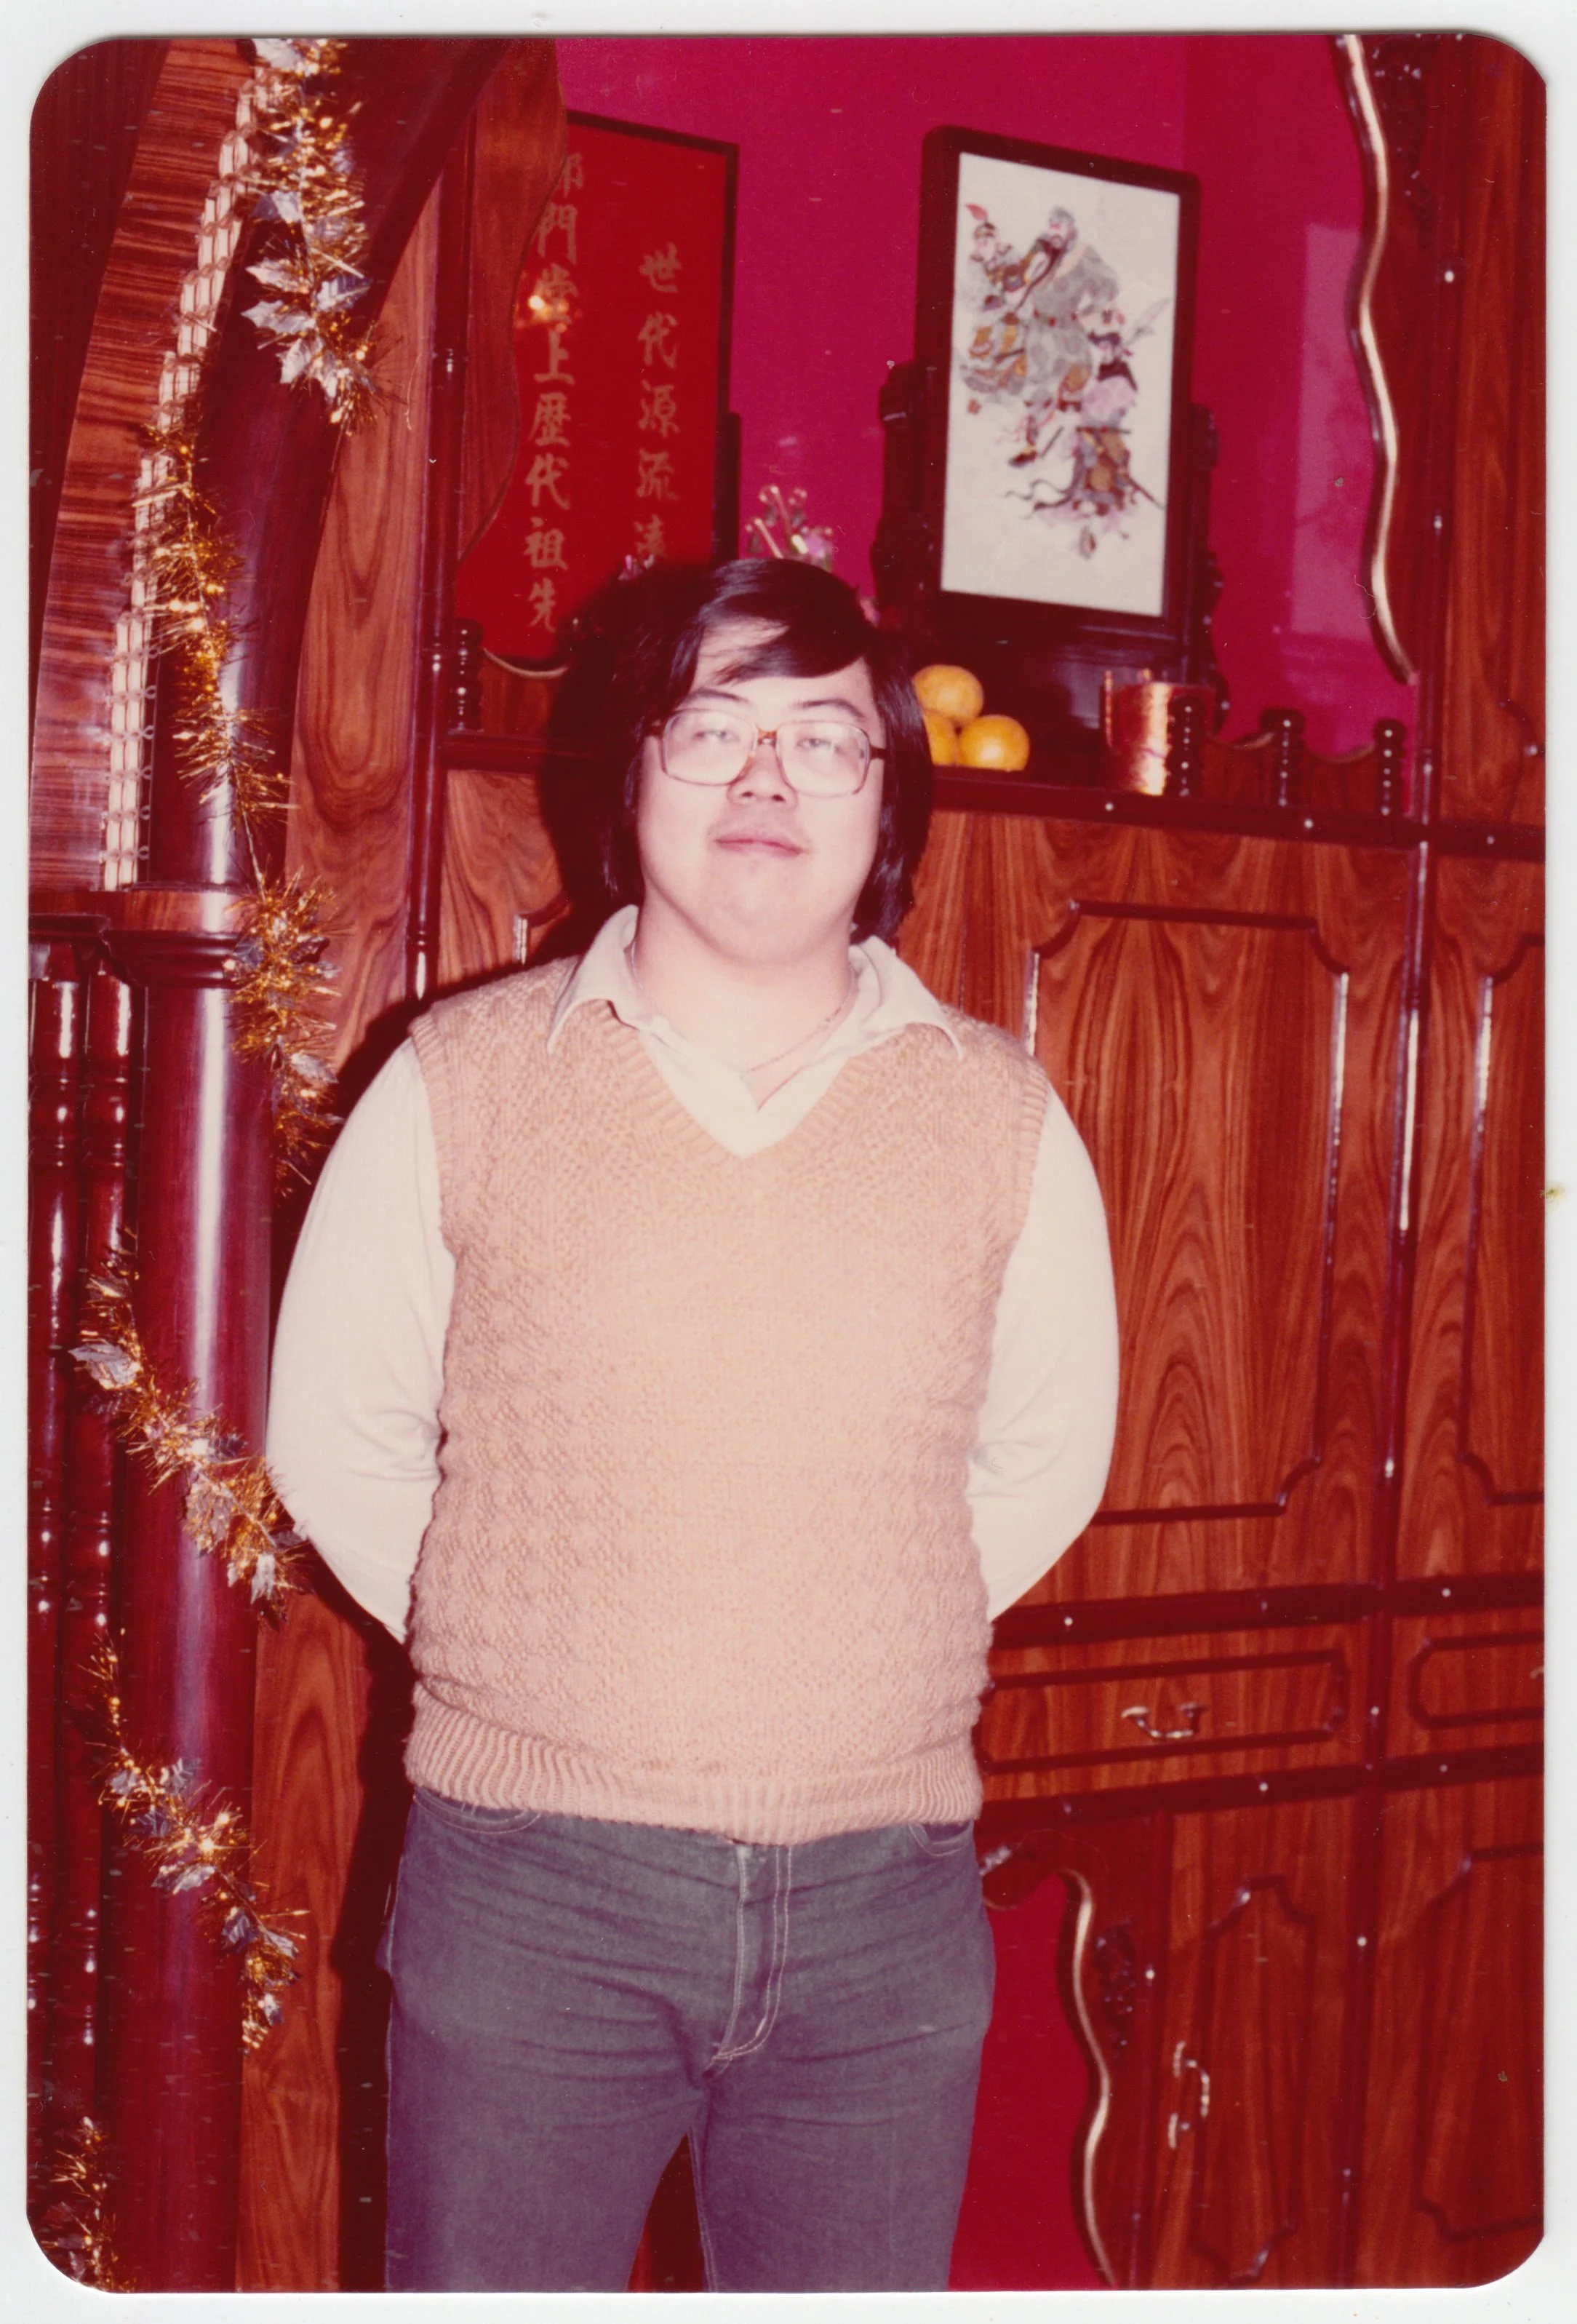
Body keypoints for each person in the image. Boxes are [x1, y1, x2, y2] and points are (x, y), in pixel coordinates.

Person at [266, 556, 1119, 2293]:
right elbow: (335, 1431)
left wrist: (836, 1640)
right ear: (629, 774)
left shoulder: (998, 1117)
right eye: (710, 729)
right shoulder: (461, 1081)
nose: (761, 782)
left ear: (889, 806)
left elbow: (1041, 1457)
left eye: (823, 743)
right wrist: (534, 1652)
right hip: (534, 1897)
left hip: (886, 1905)